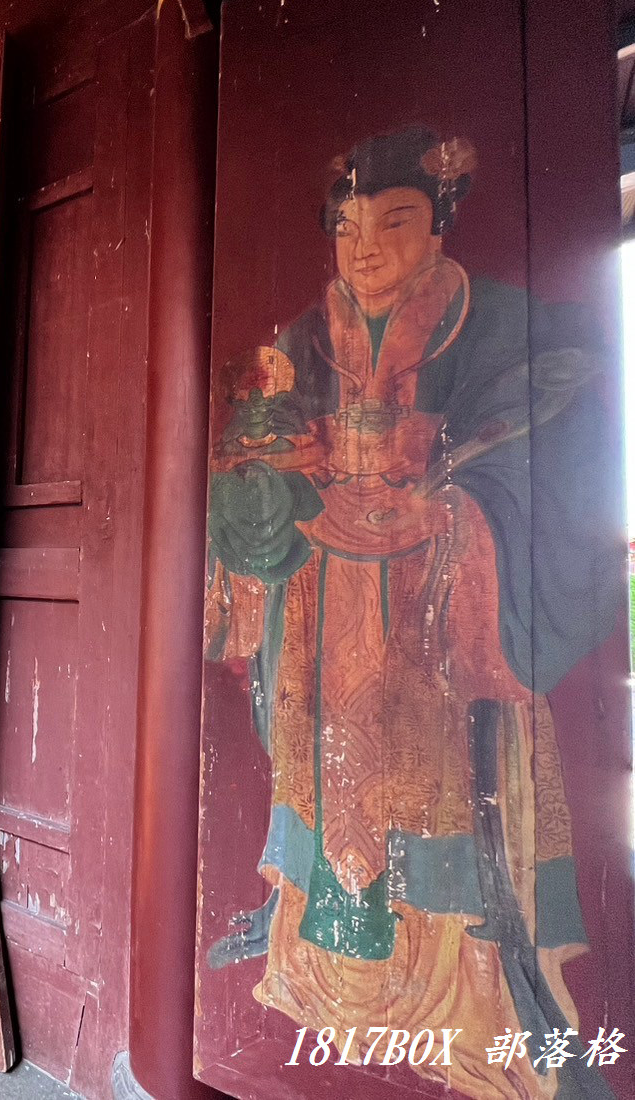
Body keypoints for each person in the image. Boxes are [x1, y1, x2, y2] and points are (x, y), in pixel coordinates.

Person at [203, 125, 622, 1099]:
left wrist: (444, 489)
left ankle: (468, 1001)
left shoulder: (495, 325)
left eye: (394, 220)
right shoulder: (303, 342)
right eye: (347, 226)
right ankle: (313, 971)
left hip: (440, 604)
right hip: (319, 609)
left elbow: (560, 428)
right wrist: (273, 465)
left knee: (439, 803)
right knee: (326, 784)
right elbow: (247, 471)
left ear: (438, 226)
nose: (366, 245)